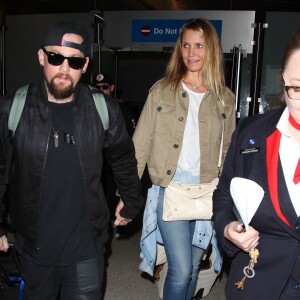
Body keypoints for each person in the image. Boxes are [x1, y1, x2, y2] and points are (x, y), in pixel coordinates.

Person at [0, 20, 143, 299]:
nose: (64, 68)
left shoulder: (103, 109)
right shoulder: (13, 109)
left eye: (74, 62)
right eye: (55, 57)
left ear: (85, 65)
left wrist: (131, 198)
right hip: (34, 247)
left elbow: (123, 157)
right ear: (42, 57)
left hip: (86, 246)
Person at [133, 18, 235, 300]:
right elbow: (140, 144)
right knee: (179, 268)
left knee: (192, 268)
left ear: (211, 49)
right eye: (186, 45)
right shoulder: (161, 91)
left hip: (208, 191)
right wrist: (125, 194)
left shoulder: (225, 98)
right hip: (171, 189)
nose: (191, 53)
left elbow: (228, 153)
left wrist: (232, 199)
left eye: (199, 45)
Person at [212, 29, 300, 300]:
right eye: (297, 87)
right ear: (282, 80)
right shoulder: (251, 132)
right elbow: (224, 195)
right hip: (260, 279)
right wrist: (228, 229)